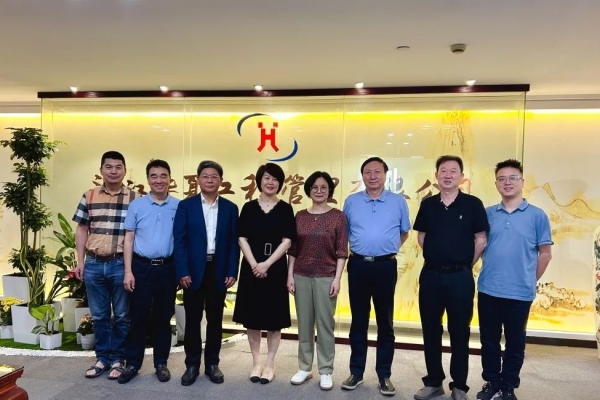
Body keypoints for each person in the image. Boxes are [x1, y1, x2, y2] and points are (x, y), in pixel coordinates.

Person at [413, 155, 489, 400]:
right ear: (436, 175)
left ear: (461, 176)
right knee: (430, 330)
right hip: (431, 275)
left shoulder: (473, 204)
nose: (448, 175)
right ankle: (434, 382)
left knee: (460, 331)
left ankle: (459, 386)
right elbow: (422, 237)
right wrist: (438, 258)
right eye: (443, 171)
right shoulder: (428, 204)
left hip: (460, 278)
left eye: (453, 171)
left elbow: (481, 240)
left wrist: (465, 264)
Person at [476, 159, 552, 400]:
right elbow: (479, 244)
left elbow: (545, 254)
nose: (507, 182)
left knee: (515, 343)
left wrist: (529, 279)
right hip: (489, 288)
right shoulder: (488, 214)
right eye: (501, 178)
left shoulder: (537, 215)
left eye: (513, 178)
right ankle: (491, 382)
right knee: (489, 341)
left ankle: (508, 386)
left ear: (522, 181)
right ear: (496, 183)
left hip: (520, 292)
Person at [341, 156, 410, 397]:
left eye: (377, 172)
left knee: (385, 322)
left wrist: (385, 249)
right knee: (358, 321)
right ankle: (356, 372)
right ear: (362, 176)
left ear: (385, 175)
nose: (372, 176)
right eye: (368, 172)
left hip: (385, 266)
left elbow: (404, 233)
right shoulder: (351, 201)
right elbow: (344, 233)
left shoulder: (398, 201)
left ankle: (384, 375)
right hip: (358, 265)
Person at [72, 151, 140, 379]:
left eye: (118, 167)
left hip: (120, 263)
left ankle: (119, 359)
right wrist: (80, 261)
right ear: (101, 170)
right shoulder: (89, 195)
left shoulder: (135, 198)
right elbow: (82, 229)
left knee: (121, 315)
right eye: (108, 167)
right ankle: (102, 358)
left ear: (125, 170)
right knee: (99, 316)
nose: (113, 171)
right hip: (93, 263)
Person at [173, 160, 240, 386]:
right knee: (193, 320)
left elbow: (234, 243)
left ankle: (212, 363)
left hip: (218, 270)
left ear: (221, 180)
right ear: (198, 179)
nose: (210, 180)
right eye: (205, 176)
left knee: (215, 320)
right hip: (192, 271)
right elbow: (179, 241)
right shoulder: (186, 206)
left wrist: (232, 270)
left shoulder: (230, 208)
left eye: (214, 176)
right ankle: (192, 365)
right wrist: (182, 270)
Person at [232, 162, 297, 385]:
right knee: (252, 318)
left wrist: (266, 264)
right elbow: (241, 237)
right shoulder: (249, 208)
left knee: (274, 319)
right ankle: (256, 363)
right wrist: (254, 264)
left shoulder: (286, 208)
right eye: (267, 178)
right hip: (251, 267)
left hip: (275, 267)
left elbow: (288, 240)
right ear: (259, 181)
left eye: (275, 179)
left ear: (280, 183)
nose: (271, 182)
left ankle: (270, 363)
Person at [117, 159, 180, 384]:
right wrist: (128, 271)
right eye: (154, 176)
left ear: (170, 178)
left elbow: (182, 240)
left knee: (163, 317)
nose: (159, 180)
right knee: (138, 317)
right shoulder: (137, 205)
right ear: (148, 179)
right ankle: (133, 364)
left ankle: (161, 363)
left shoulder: (178, 206)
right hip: (141, 267)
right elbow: (128, 239)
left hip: (168, 268)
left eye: (163, 176)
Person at [287, 171, 348, 391]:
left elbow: (342, 251)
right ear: (309, 190)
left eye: (323, 187)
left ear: (329, 191)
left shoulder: (338, 217)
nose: (319, 191)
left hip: (326, 277)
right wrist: (290, 275)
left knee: (325, 325)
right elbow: (293, 250)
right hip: (301, 275)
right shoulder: (300, 216)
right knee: (304, 324)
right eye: (314, 187)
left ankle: (326, 370)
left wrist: (337, 279)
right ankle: (304, 367)